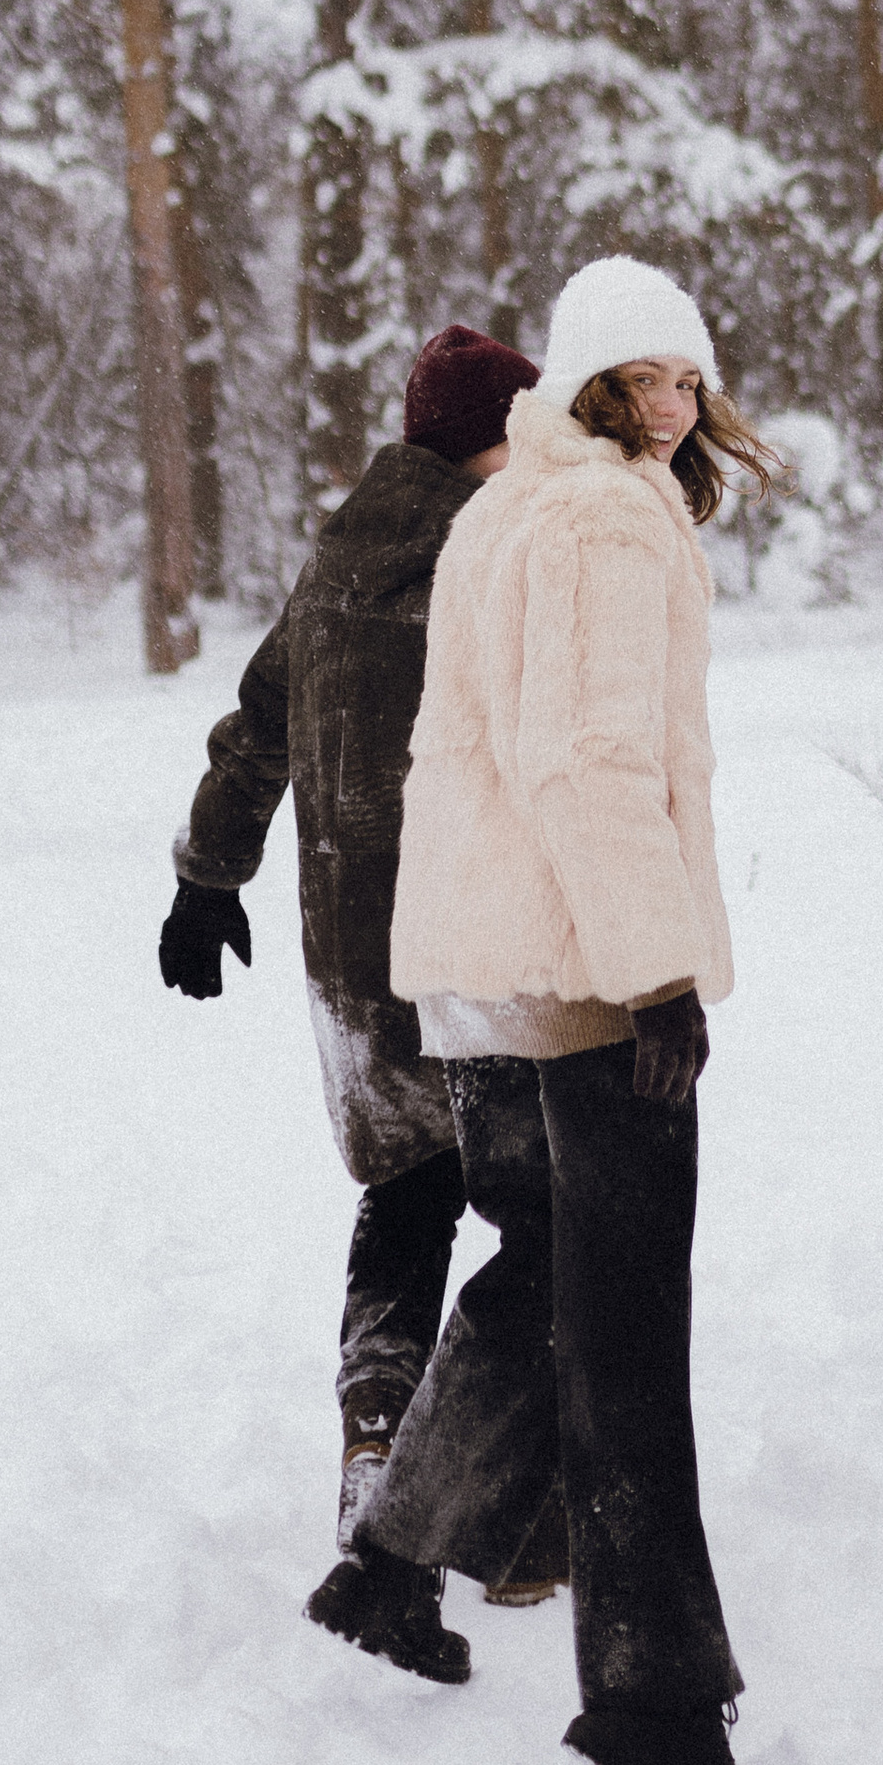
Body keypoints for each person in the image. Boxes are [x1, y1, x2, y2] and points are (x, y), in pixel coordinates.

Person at [309, 253, 782, 1765]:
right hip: (580, 969)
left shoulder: (518, 508)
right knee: (633, 1328)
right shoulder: (594, 518)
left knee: (555, 1267)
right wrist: (657, 980)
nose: (674, 405)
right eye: (644, 380)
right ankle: (655, 1702)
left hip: (496, 968)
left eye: (686, 378)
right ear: (588, 385)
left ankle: (388, 1564)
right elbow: (584, 763)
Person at [157, 321, 544, 1582]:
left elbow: (260, 718)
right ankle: (513, 1509)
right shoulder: (490, 554)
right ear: (493, 435)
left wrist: (208, 877)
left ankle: (376, 1437)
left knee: (408, 1199)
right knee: (542, 1226)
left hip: (350, 963)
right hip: (474, 947)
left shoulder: (339, 560)